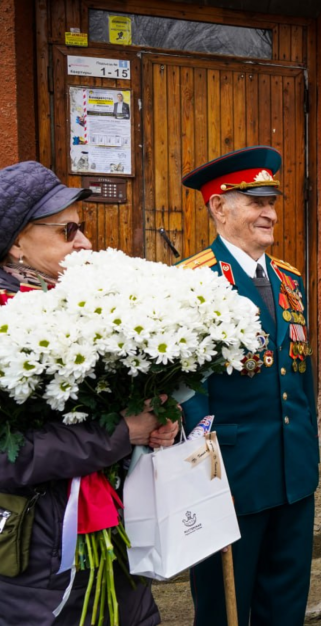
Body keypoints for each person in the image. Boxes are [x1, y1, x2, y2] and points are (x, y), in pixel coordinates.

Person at [0, 161, 175, 625]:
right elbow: (7, 456)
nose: (85, 243)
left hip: (117, 542)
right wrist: (121, 433)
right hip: (39, 565)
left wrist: (159, 421)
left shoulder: (90, 309)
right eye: (67, 231)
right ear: (16, 243)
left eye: (81, 228)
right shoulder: (6, 324)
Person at [179, 146, 319, 626]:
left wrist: (308, 454)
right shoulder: (194, 281)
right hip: (232, 476)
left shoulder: (289, 280)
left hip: (293, 473)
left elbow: (301, 375)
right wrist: (204, 476)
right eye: (257, 202)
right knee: (224, 610)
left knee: (286, 606)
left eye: (272, 202)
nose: (270, 213)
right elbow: (189, 392)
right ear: (219, 207)